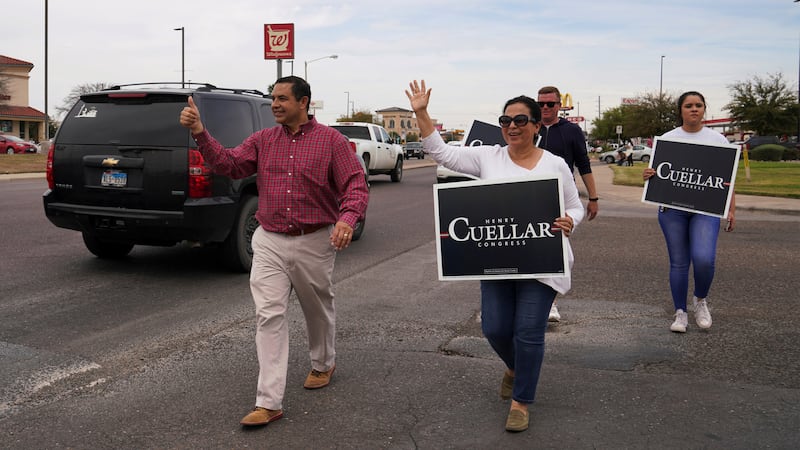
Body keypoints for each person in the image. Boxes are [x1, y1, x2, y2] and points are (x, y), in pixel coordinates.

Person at [179, 76, 369, 427]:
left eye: (282, 98)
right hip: (269, 240)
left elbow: (355, 184)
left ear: (304, 102)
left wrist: (347, 219)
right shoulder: (263, 140)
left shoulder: (332, 142)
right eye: (273, 98)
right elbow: (230, 164)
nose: (275, 104)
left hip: (314, 240)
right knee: (269, 315)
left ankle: (324, 362)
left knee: (318, 310)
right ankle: (269, 402)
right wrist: (201, 132)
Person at [406, 80, 584, 432]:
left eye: (520, 121)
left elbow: (575, 207)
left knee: (529, 330)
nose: (512, 127)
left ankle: (521, 400)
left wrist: (570, 221)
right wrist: (422, 113)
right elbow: (442, 153)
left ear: (536, 126)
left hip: (541, 262)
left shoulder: (556, 165)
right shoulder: (488, 156)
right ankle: (516, 368)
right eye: (506, 121)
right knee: (496, 328)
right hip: (497, 260)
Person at [643, 91, 735, 333]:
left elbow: (728, 180)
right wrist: (649, 176)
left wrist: (731, 209)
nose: (694, 109)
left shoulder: (718, 140)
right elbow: (657, 172)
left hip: (706, 210)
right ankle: (680, 312)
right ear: (680, 110)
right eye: (688, 105)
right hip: (673, 209)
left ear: (704, 109)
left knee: (704, 258)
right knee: (679, 262)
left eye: (698, 105)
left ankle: (700, 300)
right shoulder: (667, 139)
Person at [537, 86, 599, 323]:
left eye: (550, 104)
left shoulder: (572, 131)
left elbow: (584, 165)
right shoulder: (529, 128)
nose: (544, 108)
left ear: (559, 105)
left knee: (557, 251)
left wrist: (593, 198)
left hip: (561, 197)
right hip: (529, 197)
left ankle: (550, 302)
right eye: (540, 103)